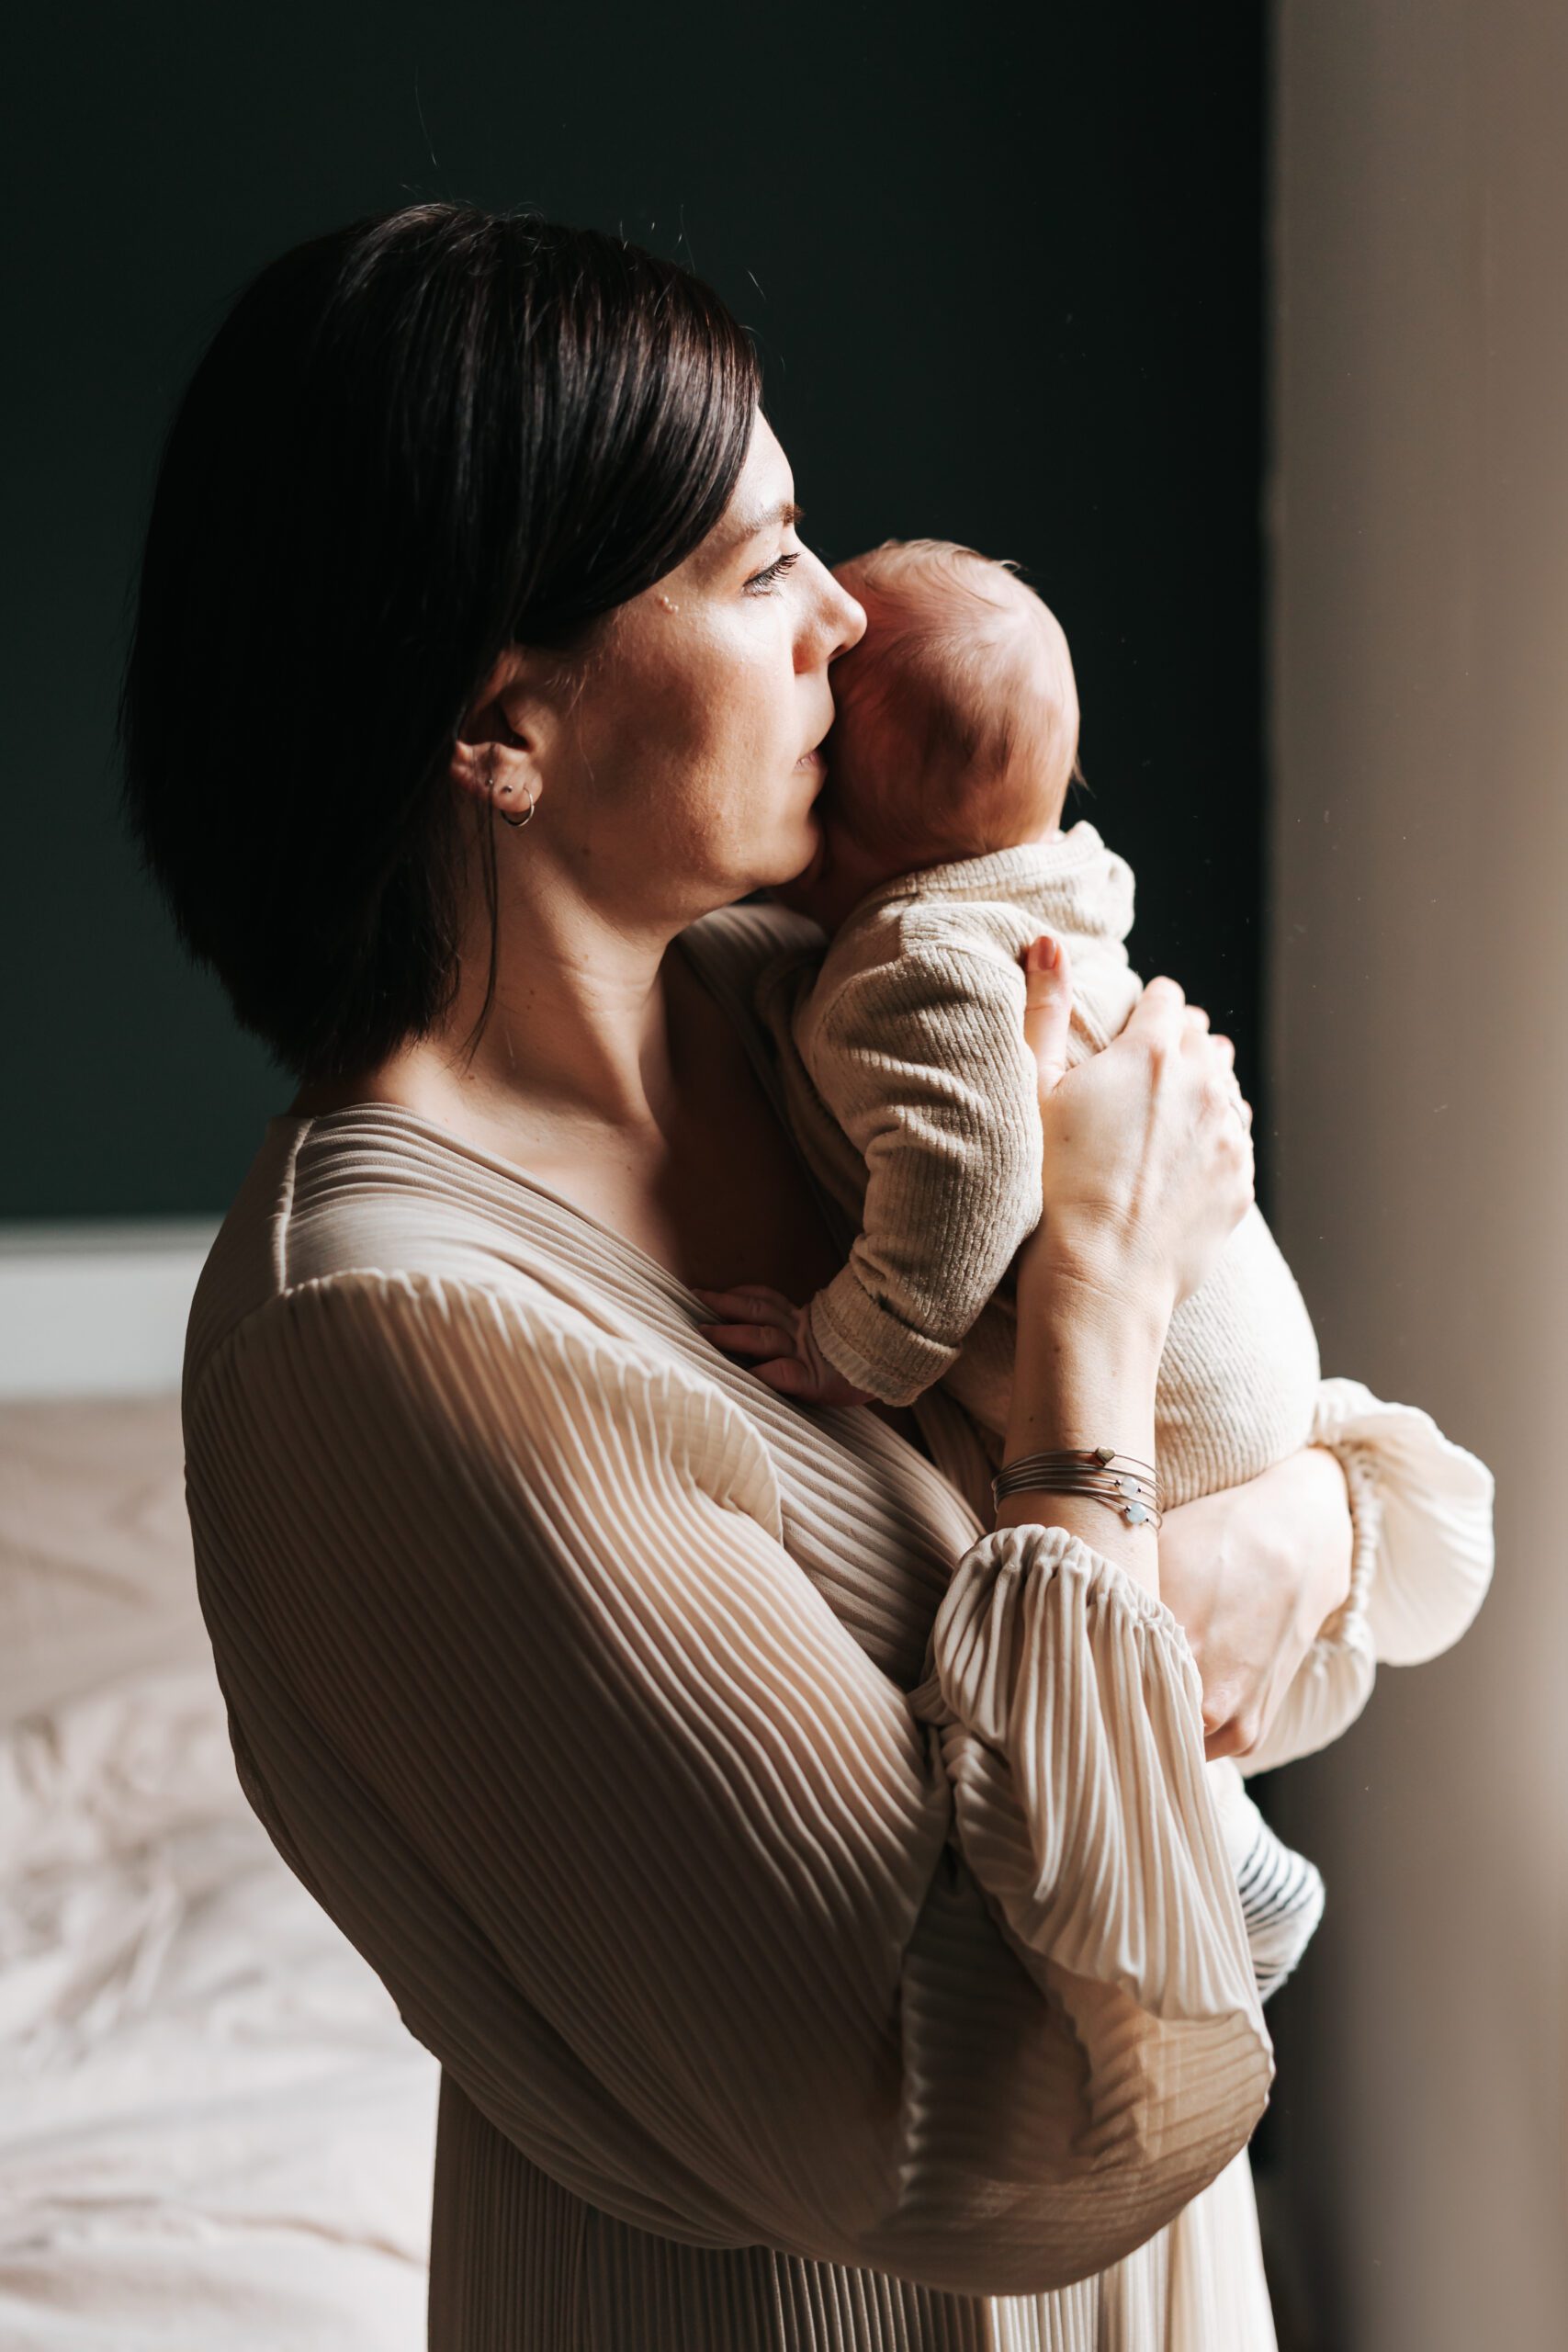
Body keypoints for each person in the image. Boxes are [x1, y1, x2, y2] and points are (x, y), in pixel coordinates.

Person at [123, 202, 1410, 2349]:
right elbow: (1006, 2103)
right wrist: (1085, 1348)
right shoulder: (378, 1345)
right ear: (495, 717)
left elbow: (1367, 1533)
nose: (845, 620)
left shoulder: (811, 1005)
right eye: (754, 567)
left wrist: (1274, 1528)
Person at [702, 536, 1494, 1998]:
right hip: (1241, 1375)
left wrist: (849, 1344)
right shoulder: (1040, 892)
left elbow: (973, 1190)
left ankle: (1234, 1873)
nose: (812, 614)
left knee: (1153, 1720)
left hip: (1180, 1420)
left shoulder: (913, 970)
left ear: (848, 828)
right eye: (762, 578)